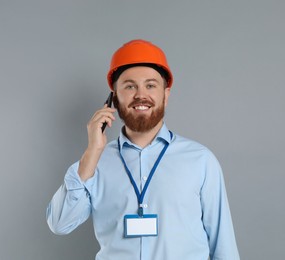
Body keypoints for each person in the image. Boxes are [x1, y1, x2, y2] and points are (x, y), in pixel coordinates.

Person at [47, 39, 240, 260]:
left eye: (150, 85)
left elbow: (223, 247)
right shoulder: (94, 163)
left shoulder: (201, 161)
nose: (141, 95)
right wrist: (92, 152)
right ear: (114, 98)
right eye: (130, 86)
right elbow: (59, 224)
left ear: (165, 95)